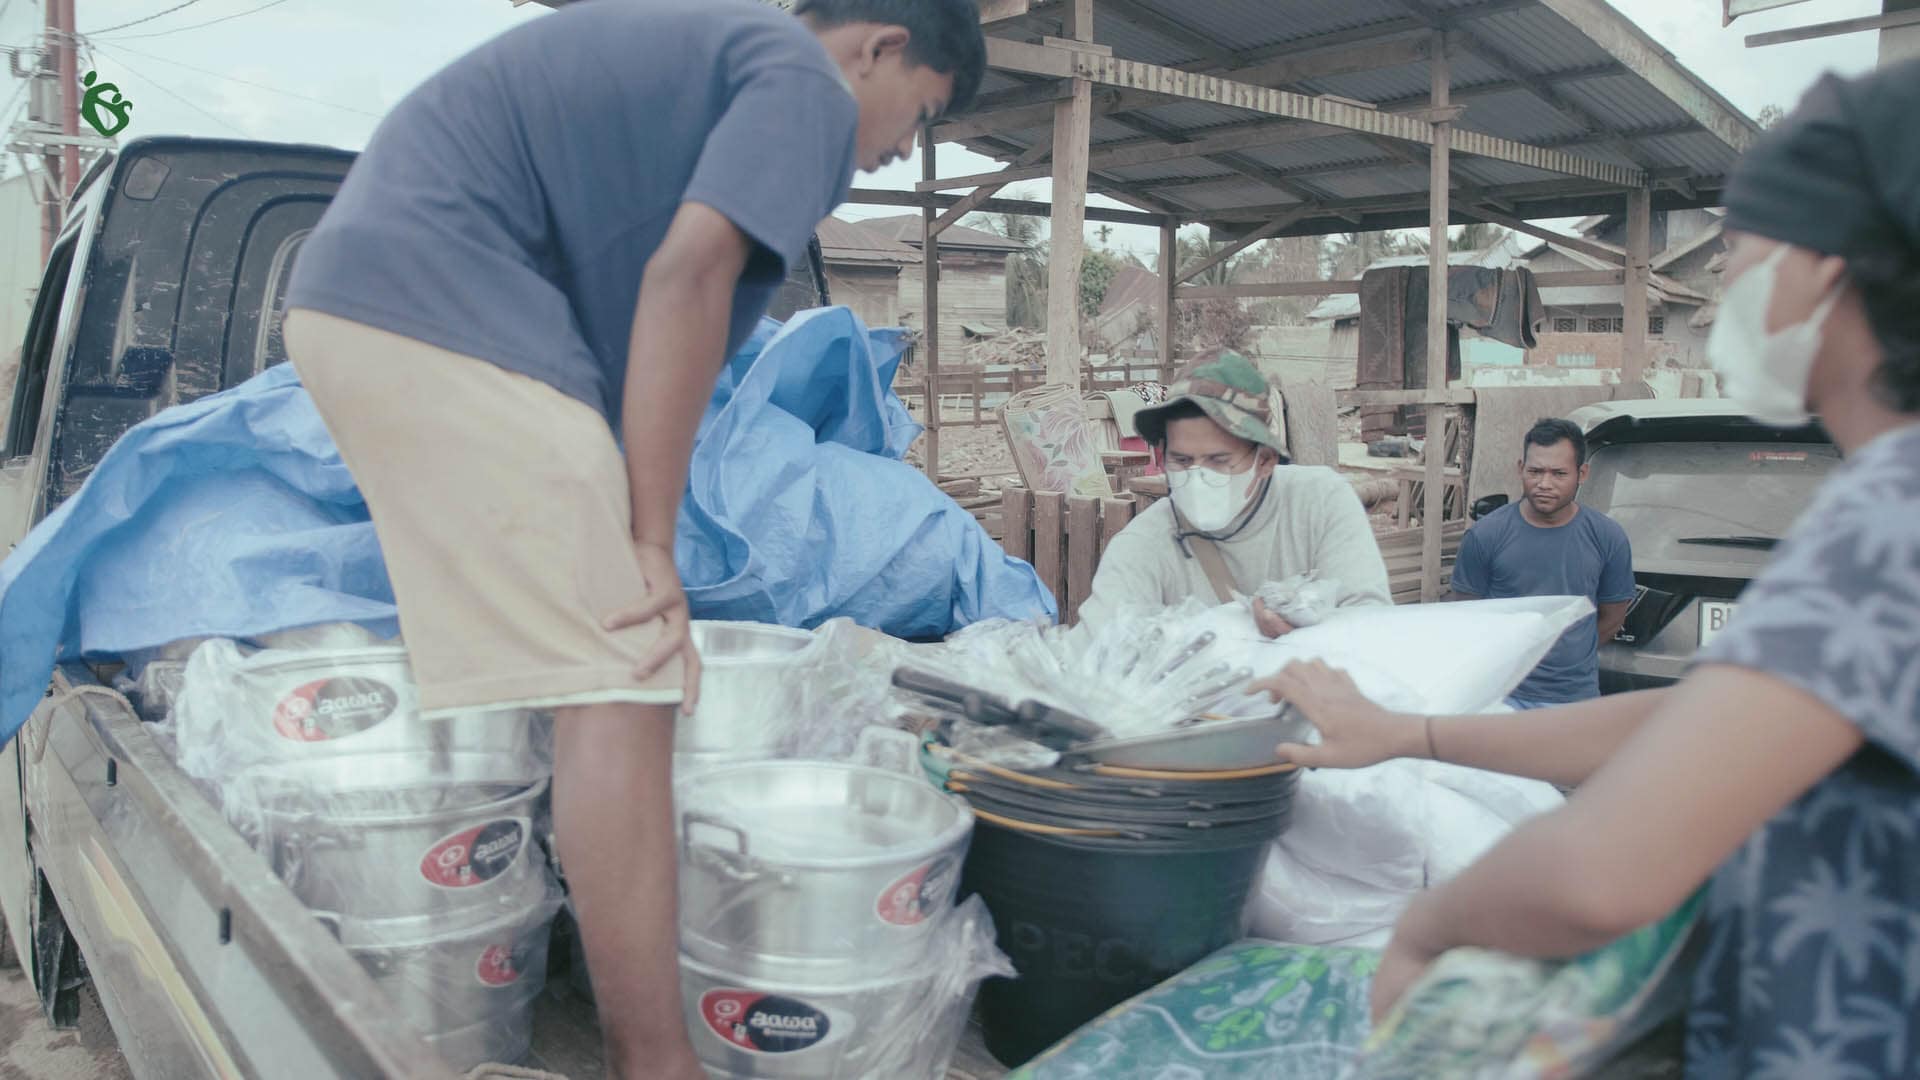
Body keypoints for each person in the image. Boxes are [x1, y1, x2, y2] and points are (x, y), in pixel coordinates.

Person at [277, 2, 984, 1075]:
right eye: (919, 115)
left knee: (598, 668)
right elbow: (688, 277)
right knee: (624, 668)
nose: (895, 148)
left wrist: (629, 523)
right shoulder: (800, 79)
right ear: (877, 46)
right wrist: (651, 544)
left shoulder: (708, 72)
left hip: (379, 307)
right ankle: (656, 1060)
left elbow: (640, 321)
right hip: (433, 314)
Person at [1252, 59, 1920, 1077]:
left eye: (1740, 250)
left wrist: (1433, 926)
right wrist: (1411, 733)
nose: (1722, 284)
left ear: (1827, 266)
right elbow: (1697, 724)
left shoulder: (1889, 514)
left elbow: (1605, 875)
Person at [1079, 350, 1391, 633]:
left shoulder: (1320, 502)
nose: (1197, 476)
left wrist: (1302, 638)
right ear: (1163, 456)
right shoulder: (1143, 545)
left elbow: (1369, 624)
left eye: (1219, 460)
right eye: (1182, 460)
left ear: (1265, 460)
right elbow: (1094, 657)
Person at [1450, 418, 1635, 709]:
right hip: (1501, 698)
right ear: (1520, 468)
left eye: (1559, 473)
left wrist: (1569, 657)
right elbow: (1467, 618)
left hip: (1574, 700)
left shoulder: (1607, 537)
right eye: (1535, 471)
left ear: (1582, 473)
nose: (1544, 484)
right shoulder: (1485, 536)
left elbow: (1612, 619)